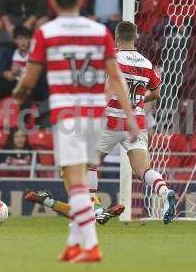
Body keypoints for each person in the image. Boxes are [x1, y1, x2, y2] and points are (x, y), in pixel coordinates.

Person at [13, 0, 139, 263]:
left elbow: (29, 80)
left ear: (54, 1)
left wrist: (17, 95)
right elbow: (116, 77)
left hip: (67, 113)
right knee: (78, 179)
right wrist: (130, 117)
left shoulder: (47, 32)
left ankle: (91, 245)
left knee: (75, 182)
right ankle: (73, 244)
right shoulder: (100, 31)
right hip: (96, 115)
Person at [25, 21, 177, 225]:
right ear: (136, 36)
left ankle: (95, 210)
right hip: (136, 122)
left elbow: (109, 89)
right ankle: (165, 192)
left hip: (111, 120)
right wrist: (140, 100)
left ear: (116, 37)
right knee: (143, 169)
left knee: (88, 165)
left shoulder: (113, 59)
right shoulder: (146, 64)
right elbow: (156, 93)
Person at [0, 25, 32, 98]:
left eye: (25, 38)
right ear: (14, 40)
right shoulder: (9, 52)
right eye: (19, 39)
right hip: (13, 81)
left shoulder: (34, 53)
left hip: (28, 84)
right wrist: (6, 73)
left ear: (30, 39)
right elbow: (0, 68)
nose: (23, 42)